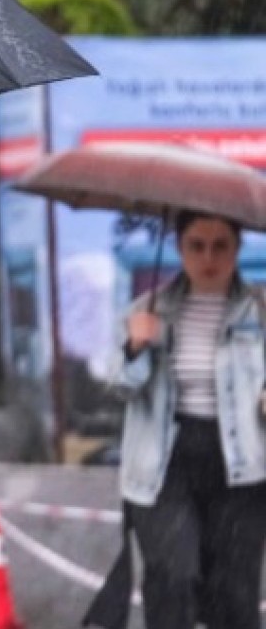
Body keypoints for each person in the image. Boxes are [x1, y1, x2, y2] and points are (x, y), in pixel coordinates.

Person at [108, 210, 266, 629]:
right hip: (165, 464)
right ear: (179, 248)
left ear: (237, 248)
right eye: (197, 245)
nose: (208, 257)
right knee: (172, 577)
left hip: (241, 466)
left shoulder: (261, 311)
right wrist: (136, 347)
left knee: (234, 593)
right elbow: (120, 386)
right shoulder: (146, 310)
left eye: (221, 246)